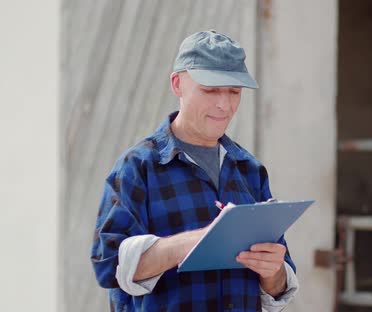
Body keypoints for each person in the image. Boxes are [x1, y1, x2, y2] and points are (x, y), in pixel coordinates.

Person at [91, 30, 298, 312]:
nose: (224, 105)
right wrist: (197, 241)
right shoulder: (138, 167)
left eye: (234, 92)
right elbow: (108, 265)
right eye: (210, 90)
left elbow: (276, 287)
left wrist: (273, 272)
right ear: (178, 84)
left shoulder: (250, 170)